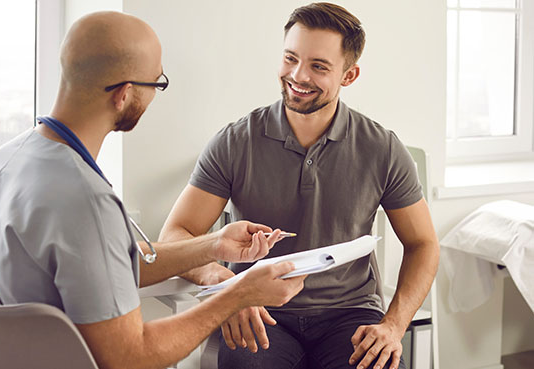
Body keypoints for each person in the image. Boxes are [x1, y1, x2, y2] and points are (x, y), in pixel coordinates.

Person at [0, 11, 306, 369]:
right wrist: (237, 294)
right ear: (124, 95)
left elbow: (103, 265)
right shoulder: (85, 200)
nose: (156, 94)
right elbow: (130, 357)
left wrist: (212, 246)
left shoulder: (9, 158)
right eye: (157, 84)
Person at [159, 3, 440, 369]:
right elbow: (175, 235)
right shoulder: (234, 142)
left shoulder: (382, 148)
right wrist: (226, 284)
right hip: (257, 308)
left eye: (318, 66)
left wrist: (393, 324)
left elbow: (423, 244)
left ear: (349, 75)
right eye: (290, 58)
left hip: (350, 314)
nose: (298, 75)